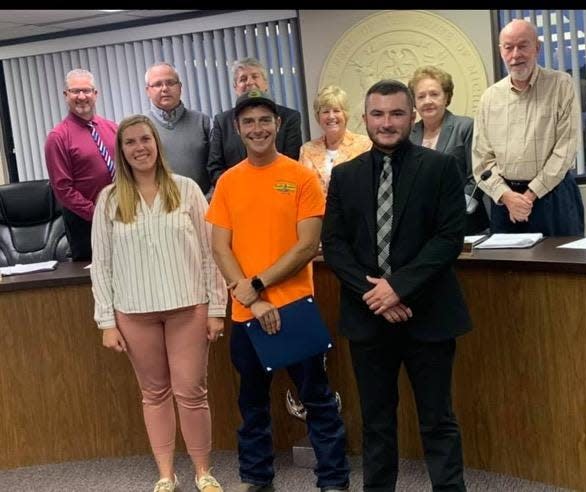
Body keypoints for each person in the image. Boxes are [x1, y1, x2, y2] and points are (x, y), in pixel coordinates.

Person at [321, 79, 472, 492]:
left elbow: (448, 239)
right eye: (378, 114)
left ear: (412, 116)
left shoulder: (440, 167)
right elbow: (334, 244)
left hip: (429, 316)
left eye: (396, 113)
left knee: (438, 420)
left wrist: (398, 288)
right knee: (377, 422)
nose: (386, 123)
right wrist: (378, 296)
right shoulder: (345, 175)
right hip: (369, 320)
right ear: (366, 118)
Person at [206, 90, 349, 492]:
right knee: (251, 405)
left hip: (294, 307)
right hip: (246, 314)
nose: (257, 129)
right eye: (248, 122)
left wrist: (258, 286)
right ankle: (256, 479)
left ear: (278, 125)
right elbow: (220, 246)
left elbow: (306, 245)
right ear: (238, 129)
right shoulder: (228, 183)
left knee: (317, 401)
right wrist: (252, 298)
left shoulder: (300, 176)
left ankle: (334, 481)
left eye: (264, 121)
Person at [90, 115, 227, 492]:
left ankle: (203, 471)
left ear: (157, 143)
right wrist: (106, 321)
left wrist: (216, 309)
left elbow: (209, 253)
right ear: (121, 151)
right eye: (130, 142)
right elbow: (100, 264)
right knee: (154, 394)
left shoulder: (187, 190)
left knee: (191, 392)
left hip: (188, 307)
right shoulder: (110, 199)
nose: (140, 147)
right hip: (134, 313)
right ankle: (166, 475)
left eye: (145, 139)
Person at [472, 18, 585, 236]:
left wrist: (529, 196)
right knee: (508, 269)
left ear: (537, 48)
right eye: (509, 47)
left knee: (561, 266)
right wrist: (507, 197)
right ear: (501, 51)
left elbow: (566, 149)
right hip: (505, 202)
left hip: (553, 197)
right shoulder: (489, 98)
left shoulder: (561, 85)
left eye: (523, 46)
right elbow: (481, 160)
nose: (516, 55)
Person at [44, 68, 117, 261]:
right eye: (75, 91)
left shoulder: (113, 129)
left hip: (122, 216)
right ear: (66, 95)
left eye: (87, 90)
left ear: (95, 94)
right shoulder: (58, 137)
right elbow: (62, 189)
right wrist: (98, 214)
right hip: (86, 224)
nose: (82, 96)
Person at [408, 66, 489, 235]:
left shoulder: (465, 127)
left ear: (446, 97)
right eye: (421, 96)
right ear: (414, 102)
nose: (427, 101)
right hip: (421, 225)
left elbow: (479, 174)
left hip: (463, 222)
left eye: (434, 94)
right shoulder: (408, 135)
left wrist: (459, 208)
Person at [208, 57, 302, 188]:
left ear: (266, 83)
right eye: (243, 79)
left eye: (255, 76)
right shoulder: (222, 121)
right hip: (236, 196)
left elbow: (291, 161)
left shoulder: (290, 117)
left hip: (278, 191)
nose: (249, 82)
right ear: (235, 87)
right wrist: (239, 190)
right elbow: (215, 167)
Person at [145, 62, 214, 197]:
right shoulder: (141, 127)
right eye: (158, 84)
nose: (165, 88)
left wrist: (209, 199)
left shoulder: (203, 122)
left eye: (170, 83)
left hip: (203, 205)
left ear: (180, 87)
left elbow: (217, 167)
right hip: (161, 209)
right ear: (148, 90)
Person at [299, 85, 371, 194]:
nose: (331, 116)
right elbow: (302, 189)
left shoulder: (365, 145)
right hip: (317, 210)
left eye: (336, 111)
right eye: (325, 111)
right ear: (318, 116)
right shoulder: (307, 150)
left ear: (345, 114)